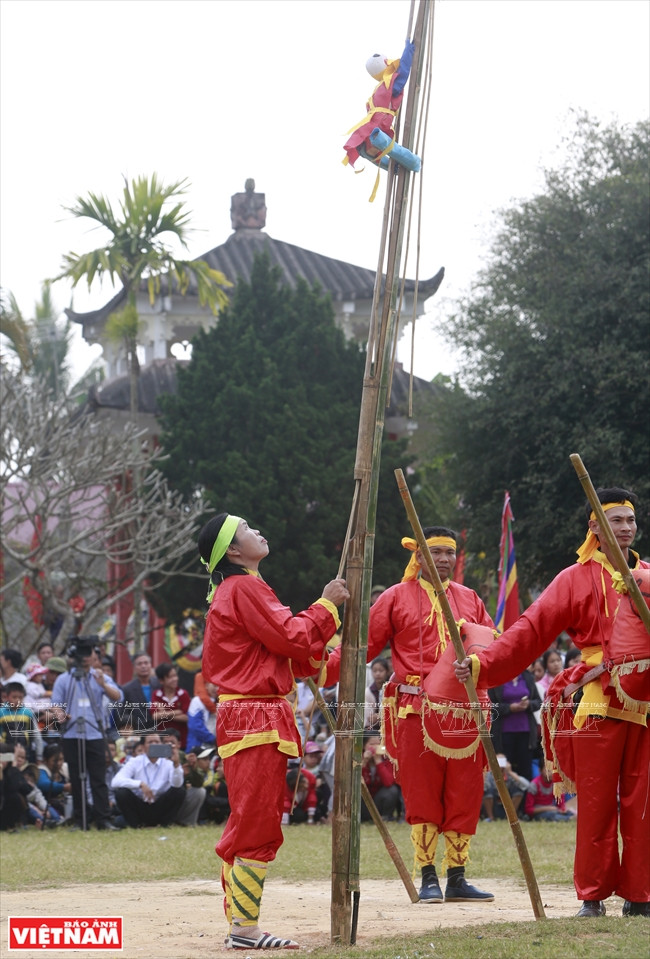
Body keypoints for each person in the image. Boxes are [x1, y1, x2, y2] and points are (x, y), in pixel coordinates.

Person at [455, 487, 649, 918]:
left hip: (646, 703)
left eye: (631, 520)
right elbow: (530, 630)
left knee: (644, 803)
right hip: (598, 701)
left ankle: (641, 896)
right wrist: (483, 664)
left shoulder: (649, 576)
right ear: (594, 525)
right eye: (616, 520)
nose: (626, 528)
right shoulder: (574, 578)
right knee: (597, 803)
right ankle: (593, 896)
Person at [199, 512, 348, 951]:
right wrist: (326, 606)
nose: (258, 531)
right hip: (255, 716)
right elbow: (293, 638)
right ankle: (244, 930)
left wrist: (331, 630)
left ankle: (240, 923)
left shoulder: (241, 588)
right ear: (232, 550)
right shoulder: (244, 588)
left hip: (253, 715)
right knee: (258, 821)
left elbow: (294, 655)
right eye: (247, 529)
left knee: (251, 818)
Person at [325, 525, 495, 905]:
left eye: (449, 552)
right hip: (415, 709)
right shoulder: (395, 597)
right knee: (422, 792)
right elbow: (362, 645)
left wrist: (481, 668)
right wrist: (325, 667)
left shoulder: (470, 598)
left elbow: (489, 646)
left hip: (466, 713)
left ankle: (457, 876)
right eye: (435, 552)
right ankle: (428, 874)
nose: (444, 559)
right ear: (418, 556)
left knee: (465, 793)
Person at [50, 637, 123, 831]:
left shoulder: (99, 676)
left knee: (98, 778)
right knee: (77, 778)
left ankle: (103, 819)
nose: (86, 657)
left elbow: (118, 697)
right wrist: (60, 715)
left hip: (95, 734)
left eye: (89, 653)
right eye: (83, 653)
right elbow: (56, 704)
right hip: (72, 734)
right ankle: (80, 820)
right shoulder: (64, 679)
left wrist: (103, 685)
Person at [111, 733, 185, 827]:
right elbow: (115, 781)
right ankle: (136, 824)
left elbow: (177, 785)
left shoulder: (168, 762)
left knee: (179, 791)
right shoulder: (135, 761)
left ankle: (165, 824)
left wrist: (176, 764)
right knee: (122, 793)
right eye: (150, 742)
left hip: (160, 804)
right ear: (143, 747)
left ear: (161, 745)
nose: (154, 744)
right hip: (140, 805)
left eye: (157, 742)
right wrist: (140, 784)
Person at [487, 670, 541, 781]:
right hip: (503, 734)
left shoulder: (527, 676)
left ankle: (525, 792)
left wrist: (528, 704)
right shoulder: (496, 677)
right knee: (504, 771)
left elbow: (538, 702)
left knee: (525, 770)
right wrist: (509, 708)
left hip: (526, 733)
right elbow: (490, 705)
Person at [116, 652, 160, 734]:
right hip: (138, 731)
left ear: (150, 665)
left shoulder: (159, 684)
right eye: (139, 664)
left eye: (146, 663)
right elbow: (123, 714)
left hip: (159, 729)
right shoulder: (127, 689)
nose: (143, 666)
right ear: (134, 667)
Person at [151, 663, 190, 748]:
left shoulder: (183, 694)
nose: (175, 679)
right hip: (163, 741)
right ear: (161, 681)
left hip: (181, 741)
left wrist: (164, 713)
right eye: (170, 677)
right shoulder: (157, 694)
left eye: (175, 675)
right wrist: (177, 711)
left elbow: (186, 718)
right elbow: (155, 716)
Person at [482, 753, 530, 821]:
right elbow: (483, 788)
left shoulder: (510, 775)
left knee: (519, 790)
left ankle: (511, 818)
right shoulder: (488, 775)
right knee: (488, 791)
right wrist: (489, 770)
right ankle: (490, 818)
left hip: (507, 806)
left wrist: (510, 772)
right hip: (493, 806)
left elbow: (527, 786)